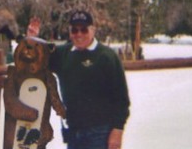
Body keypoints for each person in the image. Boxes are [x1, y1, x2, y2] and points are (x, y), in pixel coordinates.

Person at [27, 10, 130, 149]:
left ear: (93, 30)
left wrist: (118, 130)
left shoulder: (107, 56)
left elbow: (121, 99)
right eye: (74, 30)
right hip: (74, 132)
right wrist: (31, 40)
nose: (79, 34)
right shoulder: (63, 54)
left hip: (101, 133)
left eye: (84, 29)